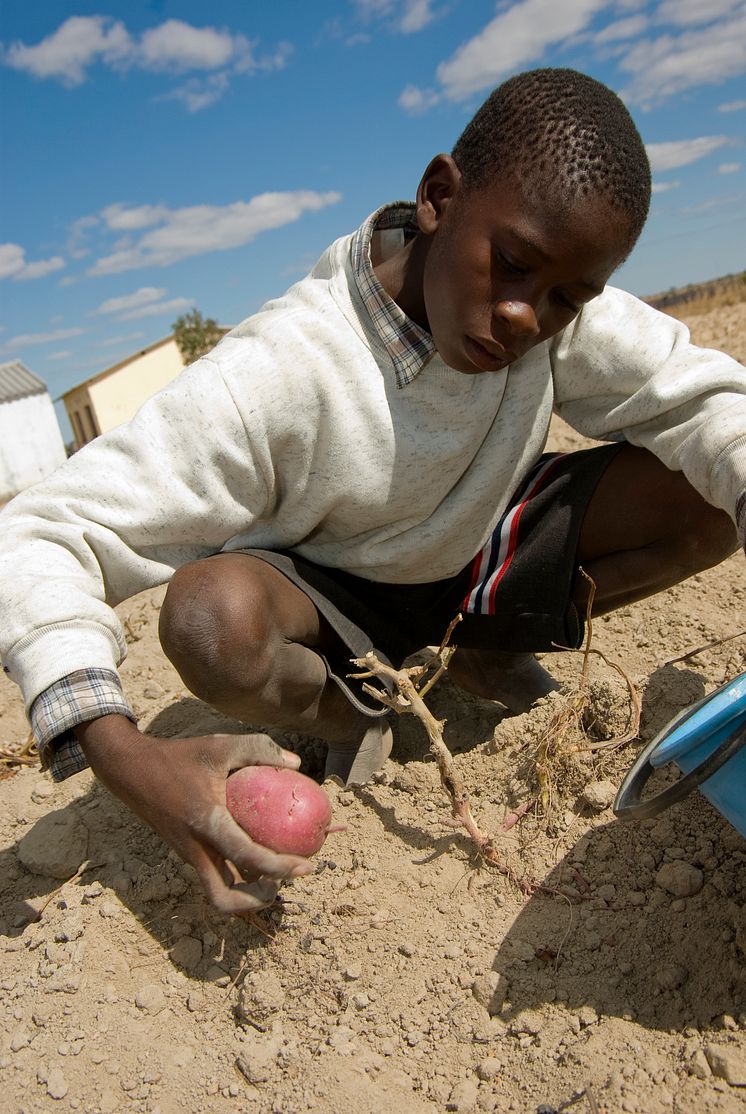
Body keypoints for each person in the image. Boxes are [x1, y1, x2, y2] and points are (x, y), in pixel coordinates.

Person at [1, 69, 744, 918]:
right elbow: (42, 535)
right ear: (438, 197)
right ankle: (356, 718)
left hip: (478, 551)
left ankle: (486, 652)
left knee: (705, 490)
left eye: (567, 299)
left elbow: (707, 399)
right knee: (210, 621)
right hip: (336, 599)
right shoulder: (282, 373)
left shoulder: (550, 311)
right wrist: (125, 760)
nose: (525, 317)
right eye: (512, 267)